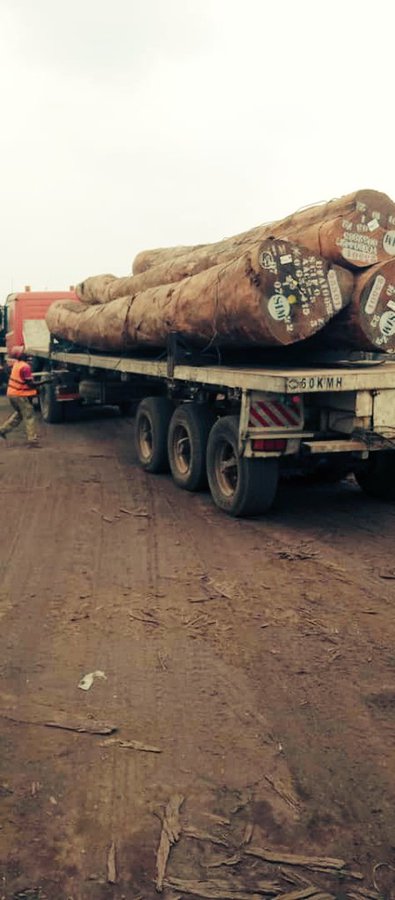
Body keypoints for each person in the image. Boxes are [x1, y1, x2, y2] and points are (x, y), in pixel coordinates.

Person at [0, 346, 40, 446]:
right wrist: (44, 382)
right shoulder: (25, 367)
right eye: (24, 352)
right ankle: (32, 440)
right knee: (29, 415)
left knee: (19, 415)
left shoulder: (17, 364)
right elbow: (30, 384)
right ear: (20, 355)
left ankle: (2, 430)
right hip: (19, 395)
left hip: (12, 394)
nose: (26, 353)